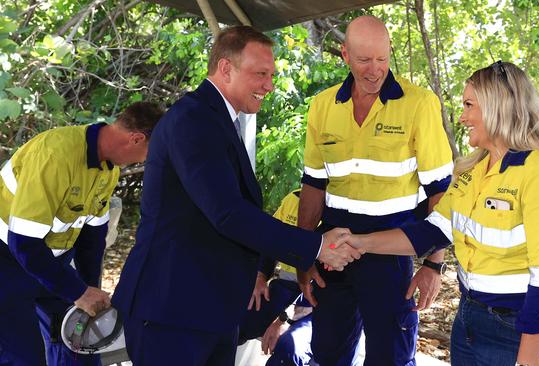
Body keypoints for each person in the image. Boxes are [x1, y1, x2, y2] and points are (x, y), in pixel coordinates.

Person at [111, 26, 361, 365]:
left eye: (272, 75)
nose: (270, 85)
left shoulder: (219, 120)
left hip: (209, 308)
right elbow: (227, 213)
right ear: (226, 69)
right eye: (260, 74)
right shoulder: (193, 119)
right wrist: (316, 247)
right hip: (173, 311)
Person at [345, 61, 539, 365]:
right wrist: (361, 242)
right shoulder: (473, 171)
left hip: (525, 332)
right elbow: (432, 232)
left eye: (469, 105)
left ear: (498, 106)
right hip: (471, 322)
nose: (462, 117)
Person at [297, 15, 454, 366]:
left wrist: (433, 264)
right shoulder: (322, 106)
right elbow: (312, 187)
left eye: (382, 59)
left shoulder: (420, 104)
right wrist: (304, 256)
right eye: (364, 60)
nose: (374, 70)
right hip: (332, 252)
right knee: (326, 355)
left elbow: (441, 193)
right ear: (345, 55)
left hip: (391, 256)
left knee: (391, 358)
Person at [0, 101, 164, 366]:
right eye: (150, 153)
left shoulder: (108, 169)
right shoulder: (55, 155)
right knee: (22, 357)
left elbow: (92, 239)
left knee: (82, 348)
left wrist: (90, 291)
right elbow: (24, 244)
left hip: (51, 263)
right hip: (7, 263)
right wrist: (78, 292)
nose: (147, 161)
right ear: (136, 139)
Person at [239, 190, 364, 366]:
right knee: (238, 324)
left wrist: (282, 319)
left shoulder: (341, 213)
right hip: (284, 290)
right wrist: (260, 278)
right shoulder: (292, 199)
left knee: (287, 351)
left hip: (317, 300)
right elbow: (270, 246)